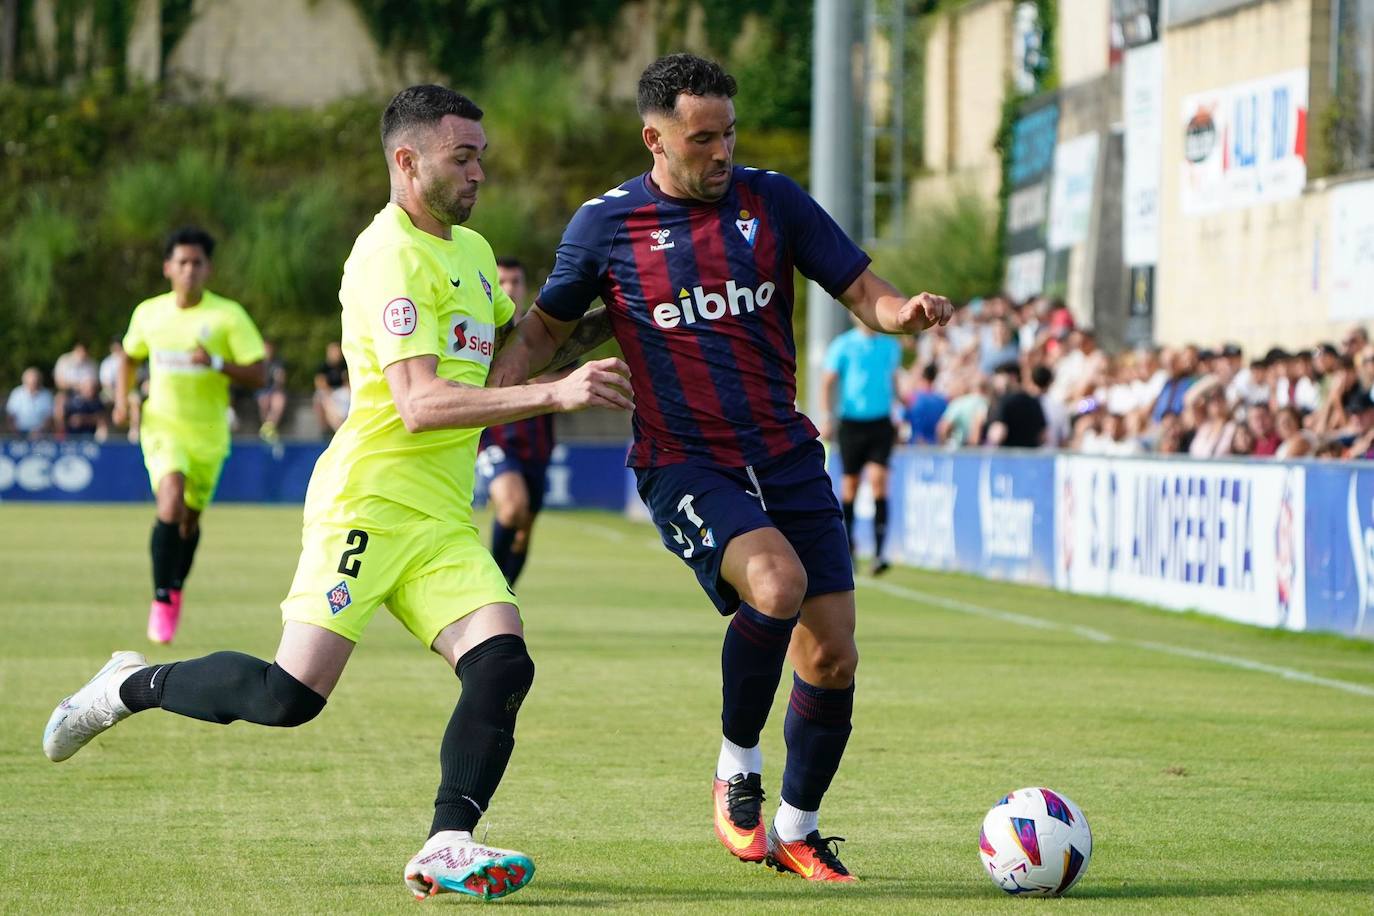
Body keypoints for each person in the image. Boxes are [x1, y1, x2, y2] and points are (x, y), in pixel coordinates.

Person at [42, 84, 633, 902]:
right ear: (407, 160)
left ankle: (446, 844)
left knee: (502, 663)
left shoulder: (468, 250)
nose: (479, 174)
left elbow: (507, 355)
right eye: (463, 157)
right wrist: (560, 393)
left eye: (481, 158)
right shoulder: (385, 257)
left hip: (438, 519)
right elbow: (423, 406)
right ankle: (123, 687)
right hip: (367, 503)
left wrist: (624, 311)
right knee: (288, 700)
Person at [489, 53, 952, 882]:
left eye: (728, 133)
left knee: (833, 655)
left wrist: (902, 313)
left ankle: (800, 830)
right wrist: (486, 401)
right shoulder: (605, 225)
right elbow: (541, 331)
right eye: (702, 138)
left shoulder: (774, 201)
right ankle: (737, 765)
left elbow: (865, 293)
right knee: (774, 584)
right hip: (683, 460)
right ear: (654, 139)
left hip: (784, 450)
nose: (721, 152)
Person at [107, 228, 270, 643]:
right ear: (167, 268)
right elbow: (129, 355)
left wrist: (215, 361)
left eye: (197, 263)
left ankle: (175, 585)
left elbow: (258, 372)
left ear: (208, 269)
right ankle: (161, 598)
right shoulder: (149, 313)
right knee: (171, 498)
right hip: (162, 425)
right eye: (181, 262)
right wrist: (123, 400)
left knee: (189, 520)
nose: (189, 270)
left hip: (210, 433)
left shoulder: (227, 316)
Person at [477, 258, 559, 586]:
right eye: (502, 282)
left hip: (538, 442)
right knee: (512, 507)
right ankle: (488, 588)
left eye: (515, 282)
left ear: (525, 287)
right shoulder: (481, 331)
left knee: (525, 527)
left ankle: (506, 592)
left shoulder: (546, 331)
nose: (509, 288)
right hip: (494, 439)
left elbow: (569, 376)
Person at [820, 316, 903, 574]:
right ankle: (849, 547)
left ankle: (879, 553)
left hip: (881, 422)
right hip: (852, 423)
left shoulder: (890, 346)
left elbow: (894, 381)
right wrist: (827, 416)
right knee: (850, 487)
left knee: (879, 482)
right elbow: (828, 381)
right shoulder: (843, 345)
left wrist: (901, 409)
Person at [984, 362, 1046, 449]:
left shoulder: (1004, 401)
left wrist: (988, 450)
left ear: (1012, 377)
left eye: (1000, 376)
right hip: (1030, 457)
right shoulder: (1034, 401)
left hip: (1007, 458)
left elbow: (998, 433)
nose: (996, 381)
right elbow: (1043, 435)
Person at [902, 363, 947, 446]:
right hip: (934, 446)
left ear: (921, 377)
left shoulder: (912, 398)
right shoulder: (942, 400)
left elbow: (903, 422)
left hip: (915, 446)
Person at [313, 341, 350, 433]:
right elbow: (320, 383)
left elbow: (346, 382)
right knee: (327, 402)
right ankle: (338, 430)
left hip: (340, 392)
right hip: (327, 392)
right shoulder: (323, 366)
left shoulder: (343, 366)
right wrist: (330, 394)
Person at [6, 367, 54, 437]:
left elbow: (49, 417)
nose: (34, 383)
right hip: (18, 432)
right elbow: (10, 415)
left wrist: (41, 431)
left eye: (36, 381)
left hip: (41, 434)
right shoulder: (16, 393)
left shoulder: (47, 395)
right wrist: (15, 433)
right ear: (24, 381)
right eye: (31, 382)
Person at [256, 340, 288, 442]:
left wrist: (280, 378)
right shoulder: (257, 363)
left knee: (279, 400)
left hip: (274, 391)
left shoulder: (278, 362)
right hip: (261, 391)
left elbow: (280, 382)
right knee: (264, 401)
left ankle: (267, 429)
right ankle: (268, 431)